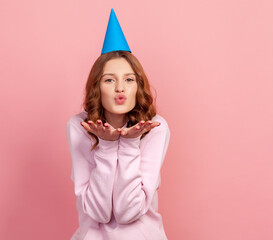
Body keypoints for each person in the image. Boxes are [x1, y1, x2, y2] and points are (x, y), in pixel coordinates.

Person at [66, 8, 170, 240]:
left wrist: (130, 144)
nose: (120, 88)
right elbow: (98, 213)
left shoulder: (156, 127)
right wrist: (106, 145)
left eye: (129, 80)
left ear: (138, 87)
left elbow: (127, 213)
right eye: (109, 79)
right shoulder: (79, 127)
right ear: (97, 87)